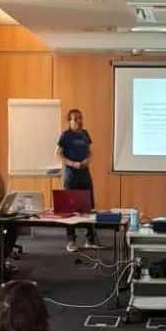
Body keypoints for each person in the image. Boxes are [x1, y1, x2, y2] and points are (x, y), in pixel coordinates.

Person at [56, 108, 99, 252]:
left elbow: (90, 151)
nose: (78, 121)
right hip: (71, 176)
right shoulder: (65, 135)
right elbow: (58, 154)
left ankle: (90, 239)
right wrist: (72, 163)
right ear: (69, 121)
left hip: (85, 174)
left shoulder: (85, 134)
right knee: (70, 209)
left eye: (80, 118)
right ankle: (71, 240)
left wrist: (88, 159)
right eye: (74, 118)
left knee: (88, 207)